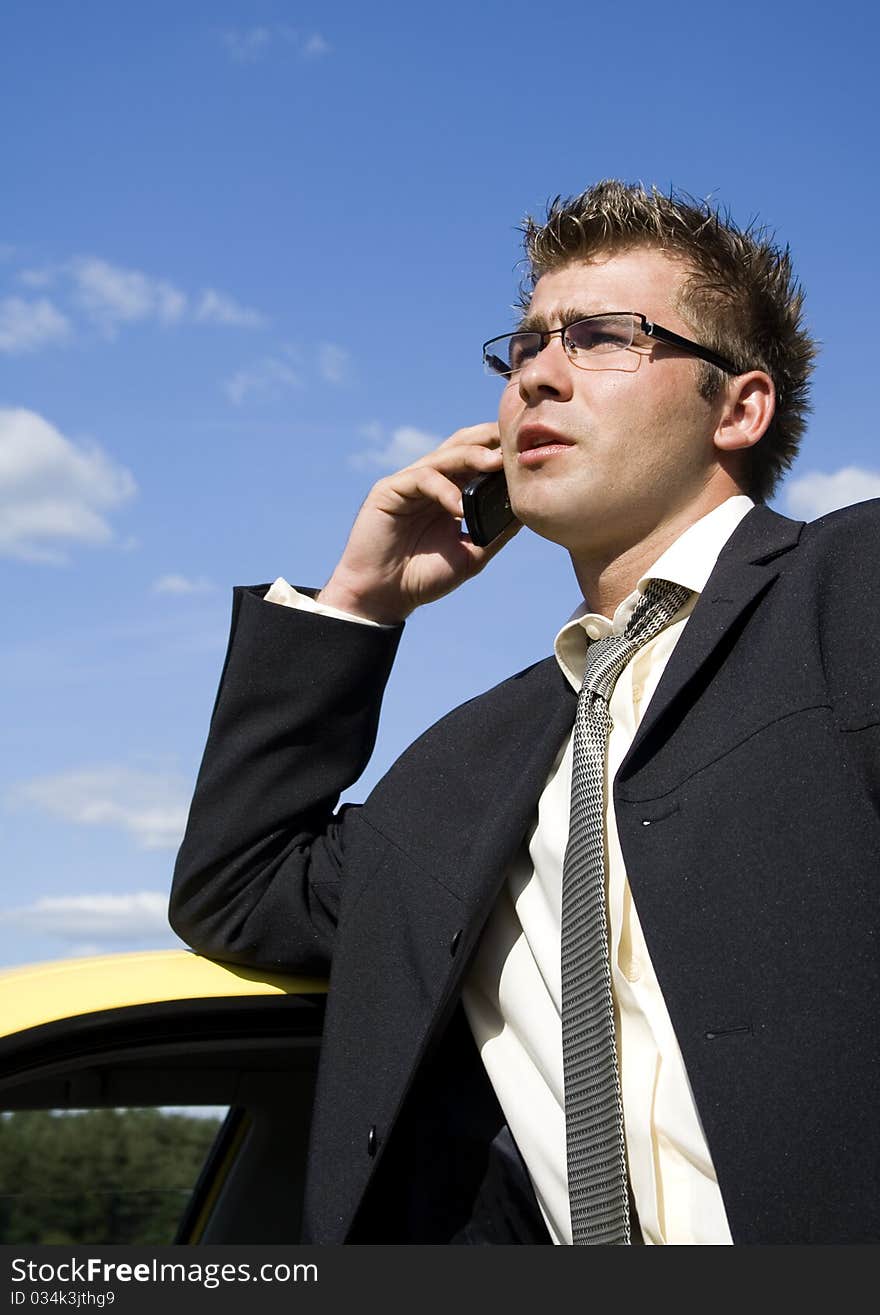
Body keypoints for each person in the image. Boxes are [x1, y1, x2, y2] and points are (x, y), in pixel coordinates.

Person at [169, 180, 878, 1245]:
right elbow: (240, 891)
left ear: (738, 406)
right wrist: (355, 604)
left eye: (601, 338)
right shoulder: (469, 764)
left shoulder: (849, 591)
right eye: (527, 345)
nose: (537, 373)